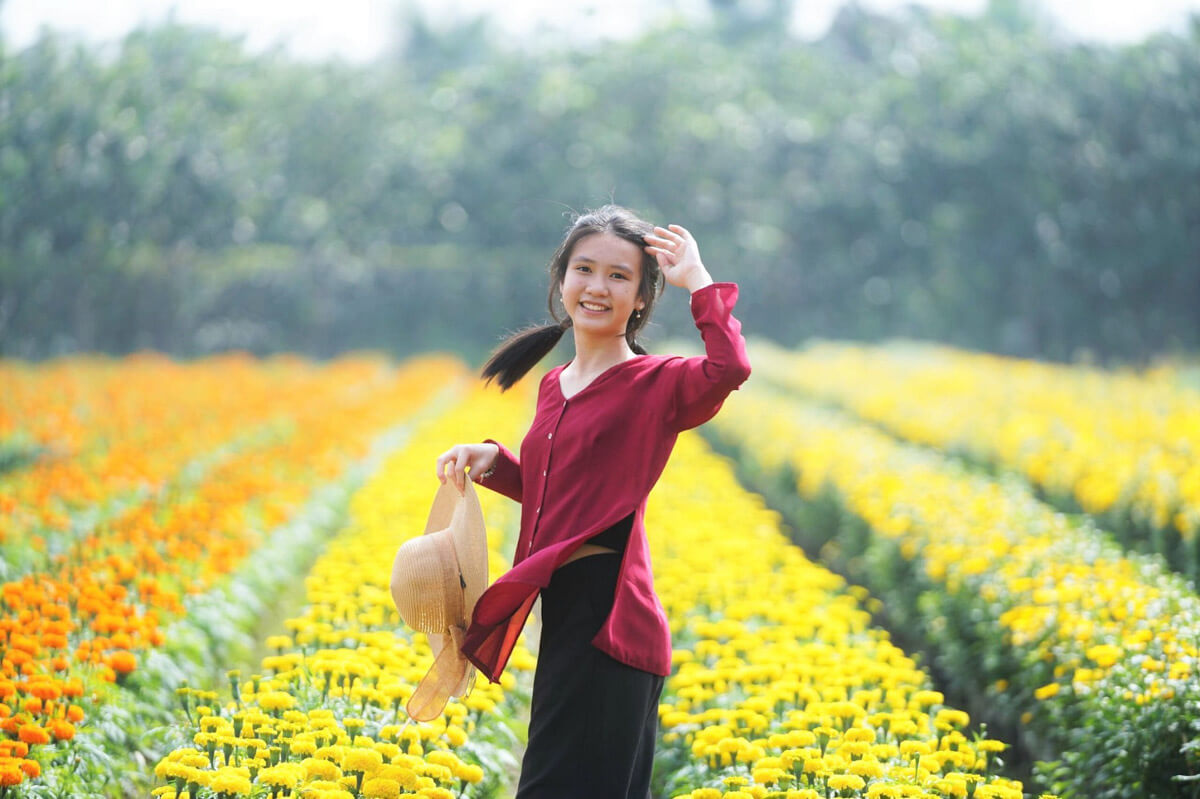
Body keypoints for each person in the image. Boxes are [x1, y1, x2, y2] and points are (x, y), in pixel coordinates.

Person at [435, 204, 751, 799]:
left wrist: (700, 282)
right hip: (567, 614)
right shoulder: (556, 384)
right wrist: (496, 464)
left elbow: (729, 366)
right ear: (561, 280)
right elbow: (569, 496)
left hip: (610, 624)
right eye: (584, 269)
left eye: (618, 276)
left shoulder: (656, 383)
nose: (597, 287)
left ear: (641, 297)